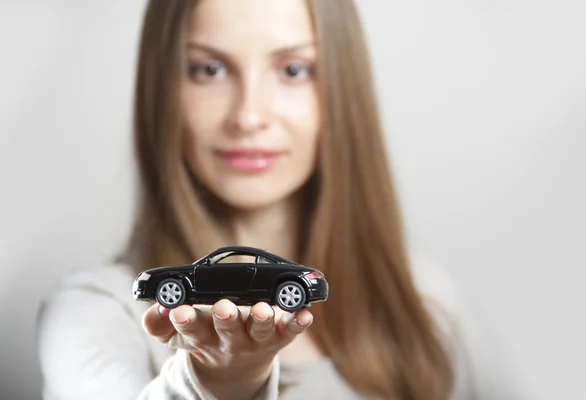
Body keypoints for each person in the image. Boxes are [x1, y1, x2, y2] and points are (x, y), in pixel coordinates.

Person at [36, 0, 479, 399]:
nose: (248, 116)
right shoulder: (95, 312)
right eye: (209, 70)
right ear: (163, 90)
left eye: (293, 70)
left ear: (342, 90)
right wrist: (213, 383)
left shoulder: (427, 303)